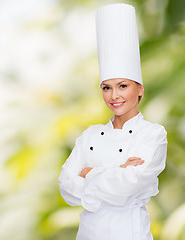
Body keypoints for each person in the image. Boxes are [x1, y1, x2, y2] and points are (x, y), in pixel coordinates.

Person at [58, 3, 168, 240]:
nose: (114, 96)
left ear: (140, 90)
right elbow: (66, 187)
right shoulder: (89, 135)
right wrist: (117, 171)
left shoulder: (152, 134)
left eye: (123, 86)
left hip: (129, 233)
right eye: (106, 88)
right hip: (88, 234)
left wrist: (88, 173)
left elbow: (129, 187)